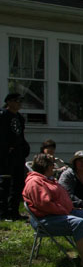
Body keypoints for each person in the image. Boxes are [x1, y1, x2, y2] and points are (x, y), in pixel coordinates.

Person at [23, 153, 83, 267]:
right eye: (52, 165)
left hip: (61, 213)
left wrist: (71, 208)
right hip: (46, 219)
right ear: (45, 166)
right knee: (79, 222)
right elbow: (45, 205)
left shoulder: (48, 180)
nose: (54, 167)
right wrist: (65, 210)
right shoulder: (35, 182)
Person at [0, 92, 30, 221]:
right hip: (5, 156)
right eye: (17, 101)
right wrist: (6, 148)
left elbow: (20, 135)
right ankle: (3, 212)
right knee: (5, 183)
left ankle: (14, 212)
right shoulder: (2, 115)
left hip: (18, 155)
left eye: (20, 102)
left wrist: (24, 148)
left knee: (18, 183)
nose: (19, 104)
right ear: (9, 102)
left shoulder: (19, 117)